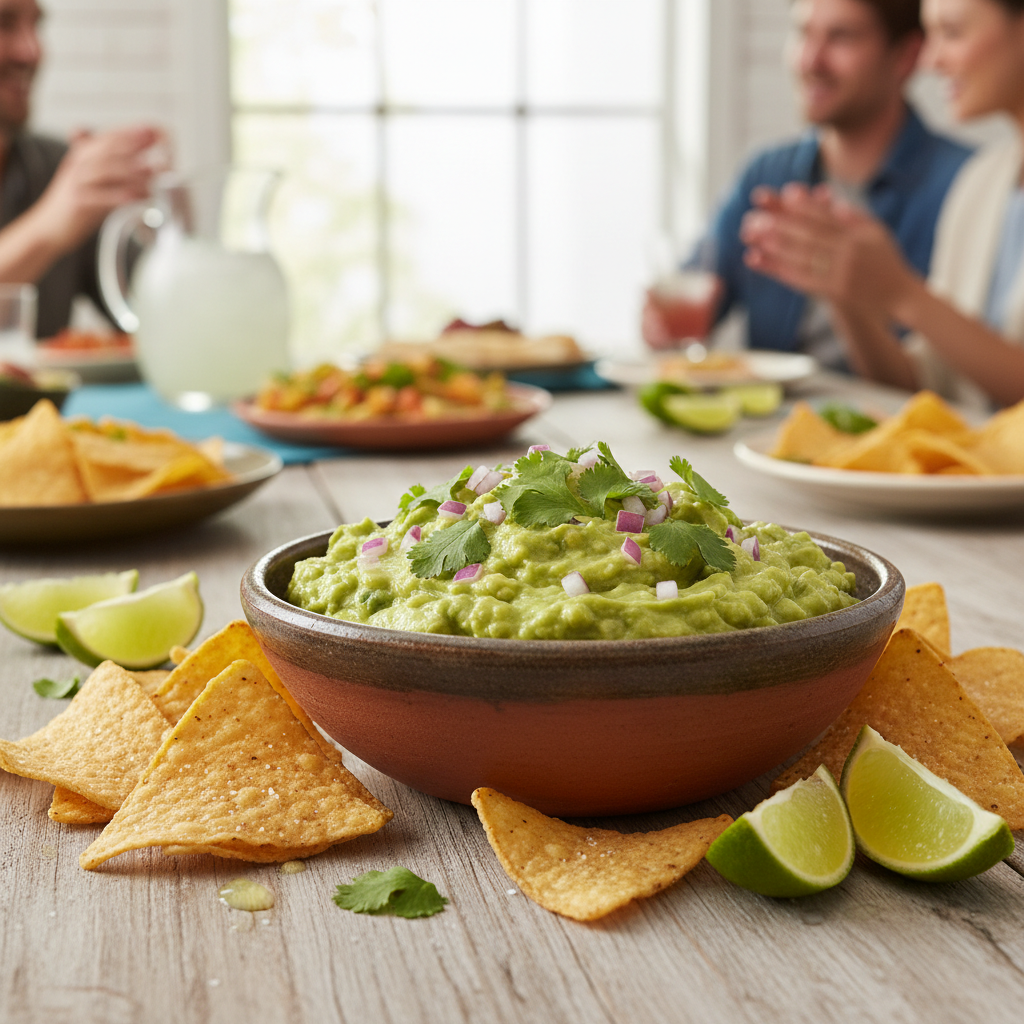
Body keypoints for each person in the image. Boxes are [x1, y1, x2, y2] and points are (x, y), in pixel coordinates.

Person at [642, 0, 973, 370]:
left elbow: (953, 380)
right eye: (803, 33)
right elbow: (695, 294)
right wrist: (662, 319)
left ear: (907, 56)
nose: (810, 61)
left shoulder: (965, 185)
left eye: (841, 37)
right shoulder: (767, 175)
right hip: (772, 422)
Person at [740, 0, 1024, 408]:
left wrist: (903, 293)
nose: (929, 60)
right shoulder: (981, 182)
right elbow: (924, 387)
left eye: (954, 32)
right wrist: (841, 287)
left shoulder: (956, 175)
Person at [0, 0, 163, 337]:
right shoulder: (64, 197)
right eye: (5, 23)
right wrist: (44, 229)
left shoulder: (60, 173)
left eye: (37, 25)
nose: (32, 51)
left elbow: (165, 316)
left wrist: (174, 223)